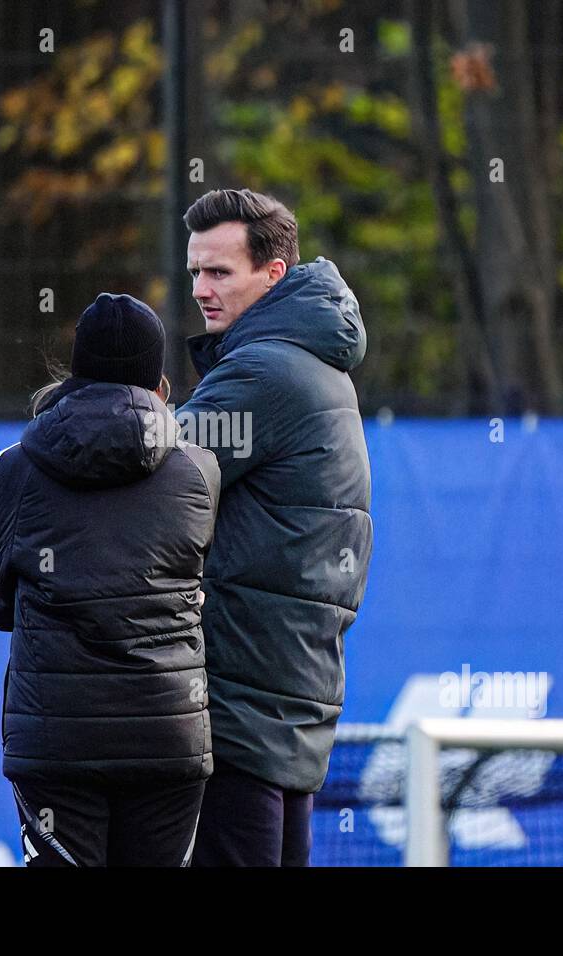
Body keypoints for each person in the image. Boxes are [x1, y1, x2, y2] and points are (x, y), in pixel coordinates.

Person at [0, 292, 221, 867]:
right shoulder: (200, 470)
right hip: (167, 734)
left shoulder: (16, 466)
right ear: (158, 379)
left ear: (75, 372)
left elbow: (3, 607)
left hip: (58, 741)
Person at [178, 188, 373, 867]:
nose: (201, 289)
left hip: (238, 699)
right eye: (195, 271)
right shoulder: (312, 360)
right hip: (280, 698)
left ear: (274, 274)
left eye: (219, 272)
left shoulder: (267, 369)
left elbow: (151, 475)